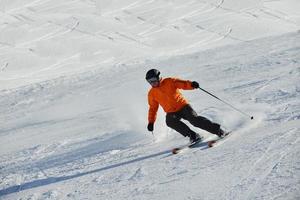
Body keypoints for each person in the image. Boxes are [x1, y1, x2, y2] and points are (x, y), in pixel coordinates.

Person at [145, 69, 226, 143]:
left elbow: (182, 84)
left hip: (183, 106)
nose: (152, 83)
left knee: (194, 120)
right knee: (170, 122)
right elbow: (153, 108)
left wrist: (191, 85)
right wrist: (151, 122)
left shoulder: (169, 81)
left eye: (153, 80)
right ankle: (193, 136)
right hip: (171, 112)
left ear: (158, 77)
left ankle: (218, 130)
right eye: (150, 81)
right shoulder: (152, 93)